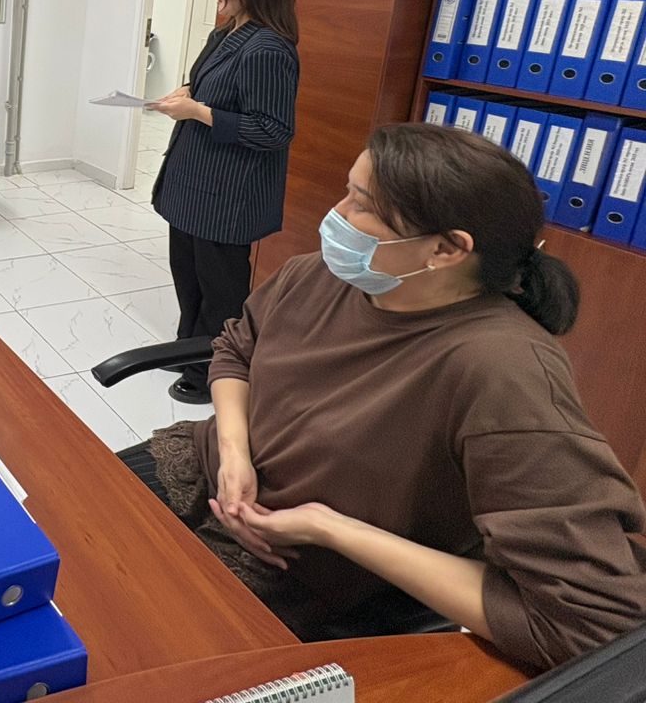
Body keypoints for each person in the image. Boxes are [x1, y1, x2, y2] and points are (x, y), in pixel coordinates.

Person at [120, 123, 646, 672]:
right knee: (66, 531)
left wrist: (329, 528)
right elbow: (236, 350)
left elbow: (594, 622)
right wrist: (234, 452)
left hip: (295, 560)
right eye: (347, 191)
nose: (336, 215)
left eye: (362, 205)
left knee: (124, 640)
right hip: (210, 469)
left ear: (446, 248)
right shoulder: (317, 275)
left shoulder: (504, 370)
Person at [146, 0, 299, 404]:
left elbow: (273, 130)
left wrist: (198, 111)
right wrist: (187, 92)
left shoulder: (269, 49)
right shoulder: (226, 32)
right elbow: (212, 85)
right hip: (193, 181)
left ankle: (213, 371)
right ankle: (188, 347)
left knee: (220, 290)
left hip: (227, 193)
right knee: (187, 274)